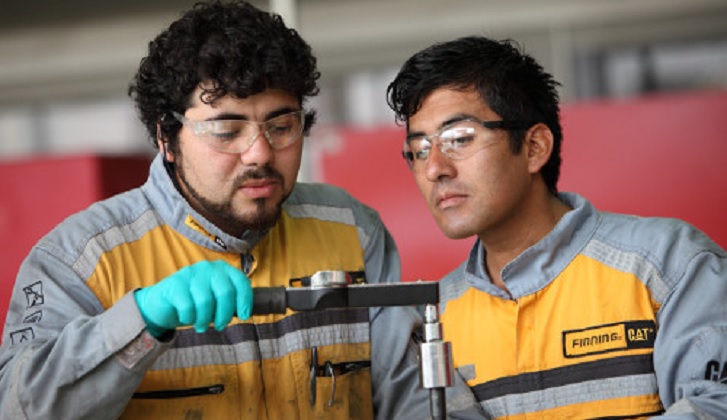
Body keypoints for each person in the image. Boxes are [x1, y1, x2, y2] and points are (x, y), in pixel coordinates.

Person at [0, 2, 428, 418]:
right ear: (167, 137)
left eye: (281, 127)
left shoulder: (351, 229)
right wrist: (140, 320)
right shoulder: (79, 260)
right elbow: (17, 407)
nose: (260, 153)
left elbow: (414, 400)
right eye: (226, 131)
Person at [386, 35, 727, 419]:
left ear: (534, 147)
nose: (434, 168)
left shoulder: (668, 265)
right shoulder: (434, 320)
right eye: (419, 150)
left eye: (459, 138)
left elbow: (715, 405)